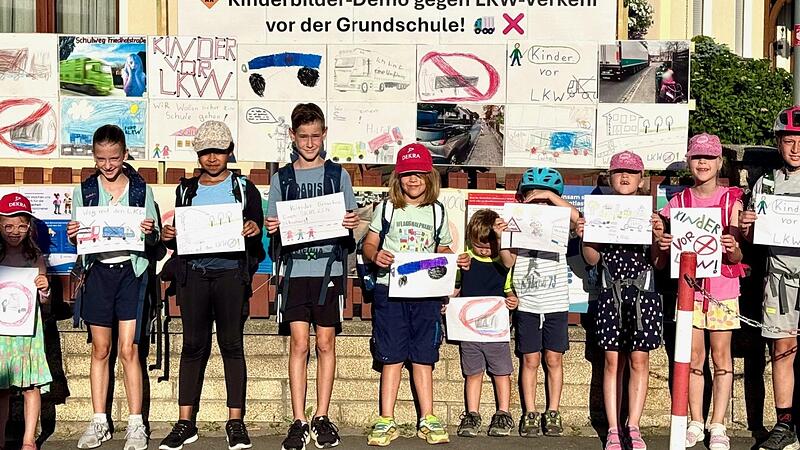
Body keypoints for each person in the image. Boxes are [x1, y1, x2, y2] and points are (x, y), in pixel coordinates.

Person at [159, 121, 264, 450]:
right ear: (198, 154)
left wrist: (253, 228)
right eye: (206, 151)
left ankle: (235, 421)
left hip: (231, 274)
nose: (212, 157)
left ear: (229, 151)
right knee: (192, 346)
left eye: (218, 150)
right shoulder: (186, 189)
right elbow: (180, 235)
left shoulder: (244, 188)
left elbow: (257, 227)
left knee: (232, 345)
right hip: (194, 275)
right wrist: (169, 236)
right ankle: (185, 422)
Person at [361, 143, 470, 446]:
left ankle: (428, 416)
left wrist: (456, 260)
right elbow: (369, 244)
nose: (413, 180)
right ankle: (386, 418)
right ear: (398, 177)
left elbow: (443, 248)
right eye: (407, 174)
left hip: (426, 292)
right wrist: (376, 255)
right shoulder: (386, 208)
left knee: (424, 355)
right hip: (390, 290)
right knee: (391, 356)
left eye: (419, 174)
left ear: (429, 177)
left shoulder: (437, 211)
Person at [265, 103, 359, 450]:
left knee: (325, 343)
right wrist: (272, 226)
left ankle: (321, 415)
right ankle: (298, 419)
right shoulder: (282, 178)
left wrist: (350, 222)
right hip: (294, 271)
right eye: (303, 136)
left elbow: (351, 223)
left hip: (328, 271)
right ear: (292, 136)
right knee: (300, 345)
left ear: (324, 135)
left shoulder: (338, 175)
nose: (309, 143)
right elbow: (272, 224)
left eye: (315, 136)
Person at [67, 124, 159, 450]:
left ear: (125, 154)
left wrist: (149, 230)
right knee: (100, 349)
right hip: (98, 274)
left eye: (115, 158)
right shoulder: (85, 190)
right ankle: (99, 421)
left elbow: (154, 237)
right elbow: (79, 239)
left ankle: (136, 423)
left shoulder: (141, 189)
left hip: (131, 272)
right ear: (94, 156)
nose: (108, 165)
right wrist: (74, 234)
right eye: (101, 158)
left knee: (129, 349)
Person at [657, 133, 745, 450]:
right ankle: (695, 420)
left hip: (722, 288)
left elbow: (737, 256)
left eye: (709, 157)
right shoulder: (678, 202)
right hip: (688, 291)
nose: (703, 163)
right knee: (693, 358)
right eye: (697, 157)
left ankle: (718, 424)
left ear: (719, 162)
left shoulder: (732, 201)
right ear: (689, 162)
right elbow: (664, 247)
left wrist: (733, 248)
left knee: (722, 358)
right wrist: (662, 240)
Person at [577, 151, 667, 450]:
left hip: (643, 294)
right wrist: (587, 236)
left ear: (642, 179)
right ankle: (614, 429)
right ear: (610, 177)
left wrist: (658, 237)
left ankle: (634, 425)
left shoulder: (651, 214)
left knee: (639, 359)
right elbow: (592, 259)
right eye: (618, 172)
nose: (624, 176)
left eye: (631, 172)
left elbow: (658, 262)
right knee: (612, 360)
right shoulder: (599, 210)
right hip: (610, 292)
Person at [494, 167, 579, 438]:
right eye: (533, 197)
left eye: (545, 198)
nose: (540, 202)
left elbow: (577, 219)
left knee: (554, 359)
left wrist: (550, 197)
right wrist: (501, 238)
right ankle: (529, 411)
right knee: (529, 359)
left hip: (555, 303)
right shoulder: (517, 224)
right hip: (527, 303)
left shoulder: (560, 225)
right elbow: (509, 262)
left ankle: (553, 410)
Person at [739, 106, 800, 450]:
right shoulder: (766, 182)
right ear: (778, 143)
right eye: (789, 140)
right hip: (779, 278)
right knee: (781, 349)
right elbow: (752, 237)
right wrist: (747, 227)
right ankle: (784, 423)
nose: (795, 148)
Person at [454, 209, 517, 438]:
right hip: (469, 331)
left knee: (501, 373)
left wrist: (513, 300)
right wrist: (446, 303)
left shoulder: (502, 263)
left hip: (495, 331)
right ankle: (472, 413)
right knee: (473, 373)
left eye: (488, 246)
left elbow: (509, 290)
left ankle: (503, 412)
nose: (483, 250)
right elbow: (455, 289)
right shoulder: (465, 260)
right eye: (478, 245)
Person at [0, 193, 53, 450]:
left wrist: (45, 288)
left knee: (32, 386)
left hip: (29, 331)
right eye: (8, 226)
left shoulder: (36, 258)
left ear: (29, 226)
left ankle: (29, 439)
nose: (14, 232)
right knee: (1, 388)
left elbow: (43, 302)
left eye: (21, 226)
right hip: (1, 334)